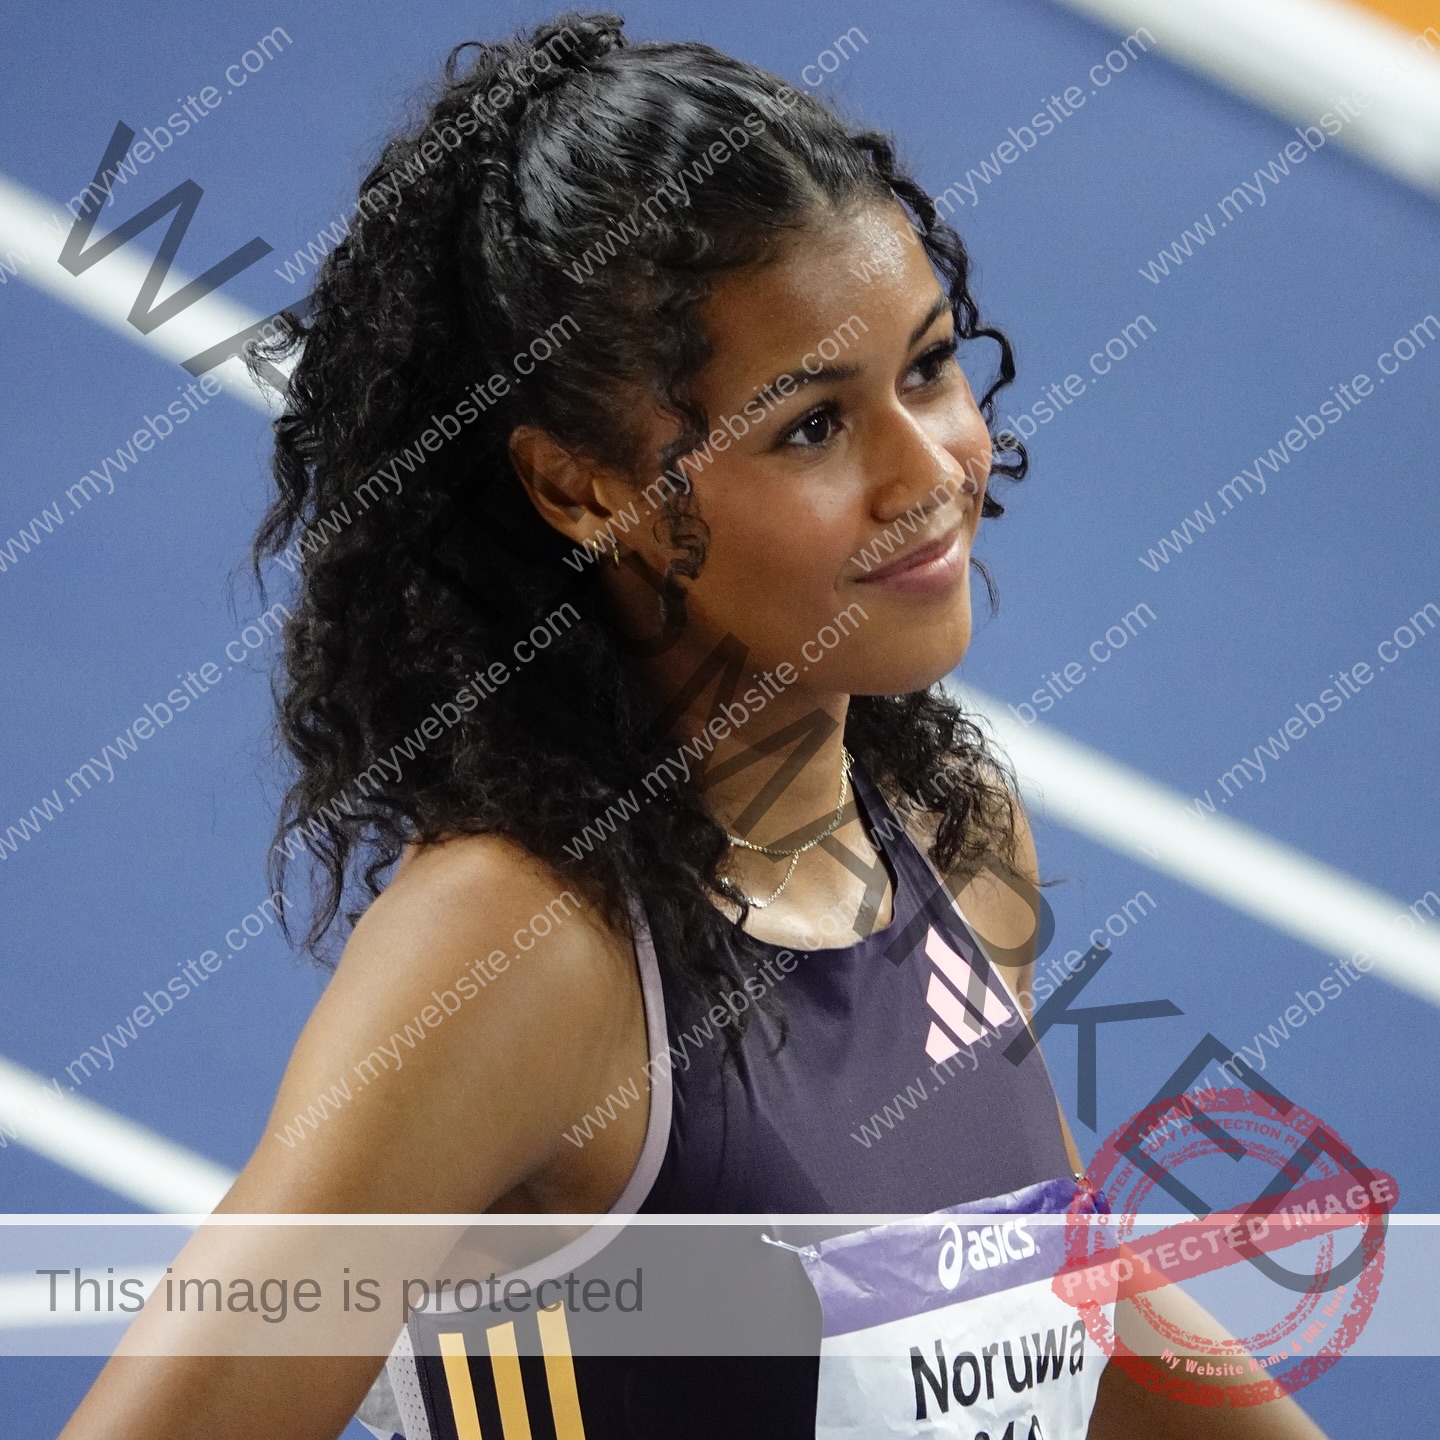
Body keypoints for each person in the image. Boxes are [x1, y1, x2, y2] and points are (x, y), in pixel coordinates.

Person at [61, 13, 1327, 1438]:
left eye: (926, 369)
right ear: (582, 489)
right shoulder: (519, 952)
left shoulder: (949, 838)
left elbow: (1040, 1293)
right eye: (810, 427)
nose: (930, 473)